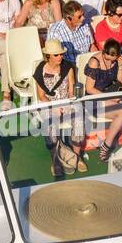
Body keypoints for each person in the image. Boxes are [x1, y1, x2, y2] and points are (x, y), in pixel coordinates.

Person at [85, 39, 122, 162]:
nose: (111, 61)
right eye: (108, 59)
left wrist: (121, 66)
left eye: (114, 59)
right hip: (95, 99)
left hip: (112, 93)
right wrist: (109, 97)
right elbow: (89, 89)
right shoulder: (94, 62)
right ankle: (106, 146)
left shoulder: (117, 60)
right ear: (103, 52)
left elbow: (121, 81)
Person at [35, 40, 84, 176]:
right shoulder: (40, 70)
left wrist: (67, 103)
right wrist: (54, 107)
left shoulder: (67, 67)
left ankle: (76, 157)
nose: (60, 57)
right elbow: (41, 95)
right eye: (56, 55)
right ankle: (55, 160)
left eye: (61, 54)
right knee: (50, 126)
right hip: (49, 104)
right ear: (48, 56)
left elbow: (71, 89)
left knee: (78, 120)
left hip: (66, 102)